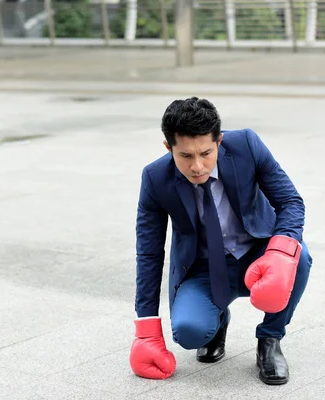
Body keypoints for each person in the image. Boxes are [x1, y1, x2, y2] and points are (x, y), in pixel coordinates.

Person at [129, 97, 313, 385]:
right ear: (168, 148)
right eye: (185, 156)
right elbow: (149, 253)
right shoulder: (155, 178)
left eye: (206, 153)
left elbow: (290, 201)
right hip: (203, 268)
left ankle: (270, 339)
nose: (198, 166)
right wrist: (146, 328)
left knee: (297, 258)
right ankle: (217, 322)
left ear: (219, 141)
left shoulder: (247, 146)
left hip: (258, 252)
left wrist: (279, 251)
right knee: (189, 333)